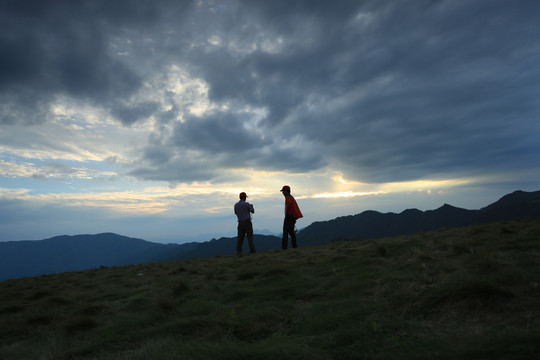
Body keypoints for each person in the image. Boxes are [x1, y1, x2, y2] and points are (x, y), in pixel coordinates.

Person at [280, 185, 303, 249]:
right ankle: (294, 246)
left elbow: (288, 204)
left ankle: (284, 248)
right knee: (291, 232)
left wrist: (288, 214)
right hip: (292, 217)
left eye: (283, 191)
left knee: (285, 232)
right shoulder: (291, 197)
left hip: (289, 217)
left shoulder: (288, 198)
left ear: (286, 191)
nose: (282, 193)